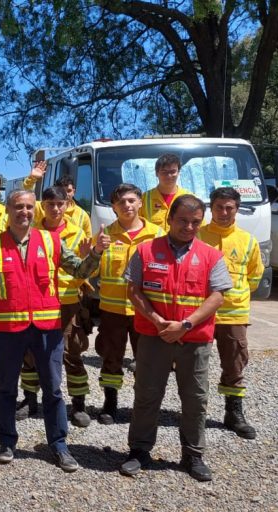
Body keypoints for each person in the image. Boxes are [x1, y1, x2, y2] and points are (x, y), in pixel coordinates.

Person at [0, 189, 105, 472]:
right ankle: (7, 442)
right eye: (18, 207)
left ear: (37, 211)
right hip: (9, 329)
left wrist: (95, 253)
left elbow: (80, 271)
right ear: (8, 210)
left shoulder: (51, 240)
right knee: (7, 388)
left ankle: (58, 445)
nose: (25, 212)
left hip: (47, 329)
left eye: (29, 207)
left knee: (53, 389)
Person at [120, 194, 232, 482]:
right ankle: (139, 451)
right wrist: (158, 322)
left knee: (195, 399)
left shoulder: (211, 255)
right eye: (183, 220)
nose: (189, 227)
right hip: (154, 336)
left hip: (193, 339)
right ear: (169, 219)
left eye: (195, 222)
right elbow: (134, 291)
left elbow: (217, 296)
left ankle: (193, 455)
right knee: (147, 395)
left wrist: (184, 324)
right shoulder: (145, 251)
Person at [19, 186, 94, 427]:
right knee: (30, 352)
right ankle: (29, 399)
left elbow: (87, 268)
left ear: (66, 204)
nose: (55, 209)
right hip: (38, 301)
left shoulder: (77, 232)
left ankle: (79, 404)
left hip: (67, 301)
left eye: (59, 204)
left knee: (71, 352)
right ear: (43, 205)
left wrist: (91, 256)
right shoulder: (33, 232)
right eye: (50, 204)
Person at [95, 184, 164, 424]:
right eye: (121, 202)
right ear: (114, 207)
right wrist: (95, 251)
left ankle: (142, 406)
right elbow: (91, 270)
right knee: (111, 357)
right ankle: (110, 402)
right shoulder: (105, 235)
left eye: (132, 200)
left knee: (145, 360)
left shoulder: (157, 235)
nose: (127, 205)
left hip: (144, 311)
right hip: (112, 311)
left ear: (140, 203)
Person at [198, 187, 263, 439]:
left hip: (233, 315)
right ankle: (193, 413)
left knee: (235, 365)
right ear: (210, 208)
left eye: (229, 208)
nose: (224, 213)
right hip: (200, 314)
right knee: (194, 366)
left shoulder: (247, 241)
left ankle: (233, 413)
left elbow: (254, 277)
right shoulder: (198, 236)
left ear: (237, 209)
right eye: (219, 207)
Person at [22, 162, 92, 238]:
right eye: (62, 191)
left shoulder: (82, 215)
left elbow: (88, 241)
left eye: (69, 191)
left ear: (74, 192)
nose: (66, 194)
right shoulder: (42, 206)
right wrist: (32, 178)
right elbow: (24, 198)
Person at [139, 153, 191, 231]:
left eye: (173, 171)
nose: (169, 176)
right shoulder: (144, 199)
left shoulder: (190, 198)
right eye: (164, 172)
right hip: (153, 243)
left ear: (178, 172)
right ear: (156, 173)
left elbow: (198, 229)